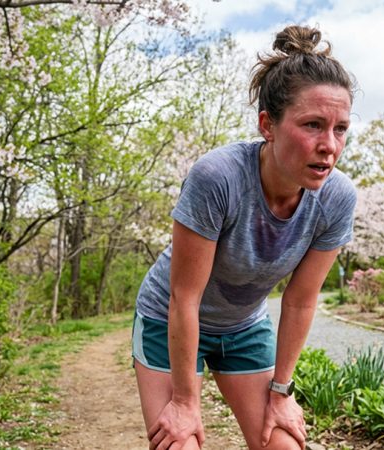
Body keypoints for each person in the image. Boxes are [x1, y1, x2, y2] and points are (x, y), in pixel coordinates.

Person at [132, 24, 357, 450]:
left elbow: (300, 300)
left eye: (340, 128)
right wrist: (185, 401)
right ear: (268, 125)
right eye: (313, 124)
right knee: (179, 443)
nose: (329, 145)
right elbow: (184, 297)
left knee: (283, 444)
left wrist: (282, 392)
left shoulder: (337, 198)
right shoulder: (218, 178)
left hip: (243, 326)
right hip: (170, 319)